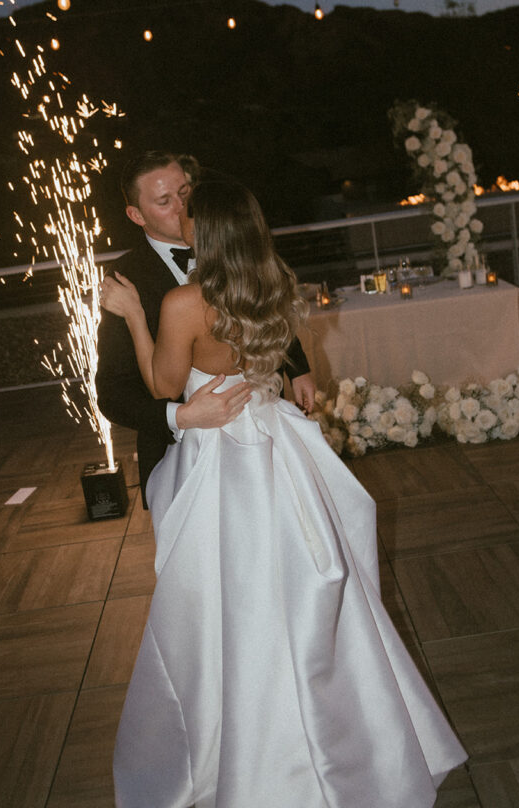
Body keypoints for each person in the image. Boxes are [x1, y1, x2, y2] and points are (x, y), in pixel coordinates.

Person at [105, 178, 467, 808]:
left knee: (226, 597)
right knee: (300, 587)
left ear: (207, 232)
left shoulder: (186, 303)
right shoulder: (274, 282)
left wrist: (136, 315)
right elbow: (278, 359)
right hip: (280, 444)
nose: (182, 215)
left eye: (190, 210)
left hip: (220, 455)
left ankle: (247, 731)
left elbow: (164, 384)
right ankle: (346, 728)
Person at [96, 151, 315, 506]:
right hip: (182, 453)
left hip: (265, 425)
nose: (182, 206)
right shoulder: (125, 279)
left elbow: (262, 307)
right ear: (137, 215)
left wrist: (297, 367)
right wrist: (178, 415)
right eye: (165, 201)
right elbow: (111, 391)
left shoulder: (243, 249)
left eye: (185, 192)